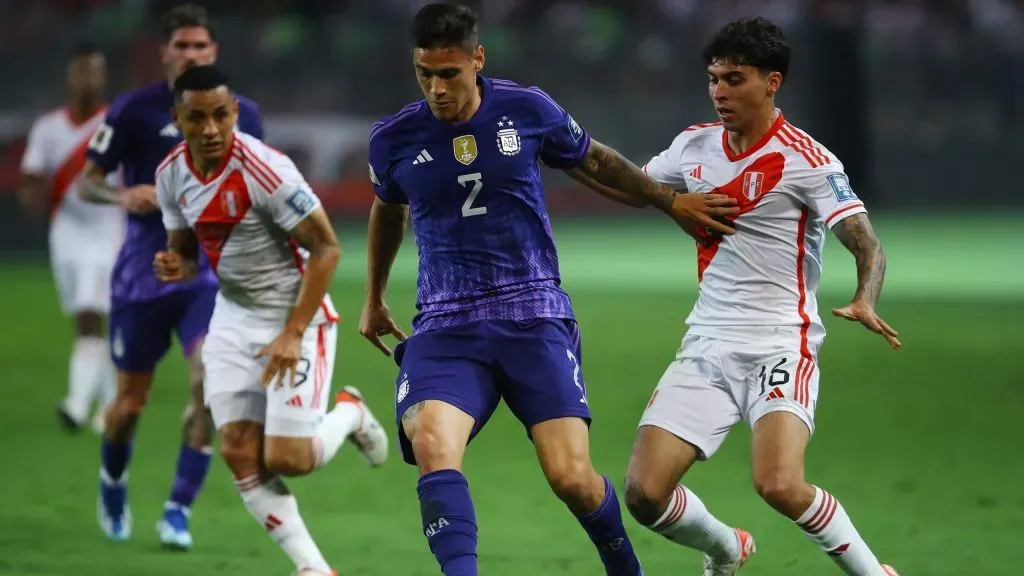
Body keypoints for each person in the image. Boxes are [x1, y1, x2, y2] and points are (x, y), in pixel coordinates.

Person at [360, 4, 737, 575]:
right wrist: (373, 296)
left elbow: (598, 162)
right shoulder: (392, 139)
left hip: (532, 314)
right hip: (444, 323)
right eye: (425, 74)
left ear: (477, 59)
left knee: (572, 479)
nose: (437, 88)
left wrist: (668, 200)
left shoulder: (526, 110)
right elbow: (388, 209)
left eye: (449, 73)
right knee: (434, 446)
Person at [621, 17, 902, 576]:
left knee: (779, 484)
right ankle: (726, 547)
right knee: (643, 494)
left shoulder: (810, 160)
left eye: (735, 79)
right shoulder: (693, 147)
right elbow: (633, 183)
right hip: (705, 343)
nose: (720, 91)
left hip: (780, 342)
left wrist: (866, 297)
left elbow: (867, 242)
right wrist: (582, 161)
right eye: (714, 79)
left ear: (772, 82)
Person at [154, 64, 388, 576]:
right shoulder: (170, 174)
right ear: (177, 118)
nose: (211, 128)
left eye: (221, 114)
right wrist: (177, 264)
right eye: (198, 118)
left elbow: (326, 248)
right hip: (234, 320)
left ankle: (350, 412)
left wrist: (292, 333)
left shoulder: (267, 169)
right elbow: (187, 250)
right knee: (238, 451)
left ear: (235, 112)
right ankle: (314, 569)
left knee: (289, 460)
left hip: (296, 317)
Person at [78, 3, 263, 548]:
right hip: (142, 274)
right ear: (164, 52)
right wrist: (120, 193)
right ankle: (113, 479)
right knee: (129, 405)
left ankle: (177, 509)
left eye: (199, 47)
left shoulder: (243, 114)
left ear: (214, 54)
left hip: (209, 276)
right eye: (181, 46)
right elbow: (90, 180)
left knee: (208, 385)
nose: (189, 55)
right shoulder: (134, 110)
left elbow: (262, 184)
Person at [19, 43, 121, 434]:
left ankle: (76, 406)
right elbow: (32, 175)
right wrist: (31, 194)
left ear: (104, 77)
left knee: (89, 313)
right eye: (81, 71)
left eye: (94, 71)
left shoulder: (116, 123)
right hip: (66, 231)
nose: (87, 80)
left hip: (110, 226)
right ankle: (111, 405)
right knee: (92, 316)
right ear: (69, 76)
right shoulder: (48, 127)